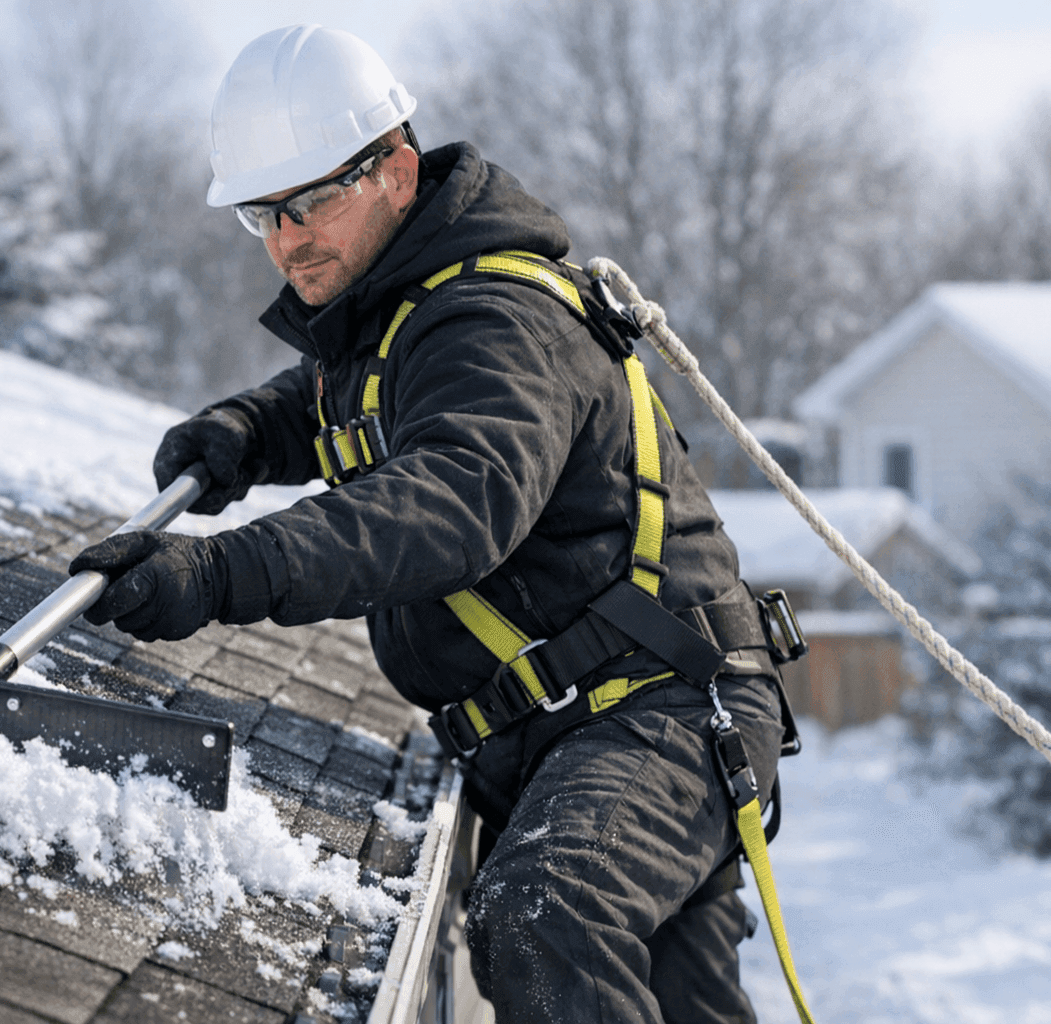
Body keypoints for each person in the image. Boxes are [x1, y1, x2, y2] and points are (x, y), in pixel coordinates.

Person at [69, 25, 793, 1024]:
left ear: (397, 172)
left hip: (658, 708)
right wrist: (250, 431)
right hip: (578, 720)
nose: (287, 239)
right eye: (263, 216)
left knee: (549, 913)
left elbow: (453, 498)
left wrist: (216, 571)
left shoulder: (499, 317)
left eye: (309, 201)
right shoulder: (407, 316)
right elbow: (355, 398)